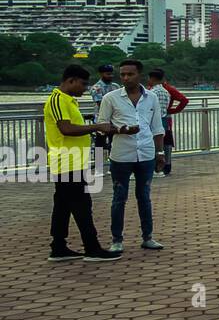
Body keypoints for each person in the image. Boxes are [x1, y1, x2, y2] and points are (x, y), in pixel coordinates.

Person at [44, 64, 122, 262]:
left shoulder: (68, 100)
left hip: (75, 161)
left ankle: (58, 246)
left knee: (62, 205)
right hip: (66, 162)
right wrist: (96, 126)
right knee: (82, 205)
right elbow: (66, 129)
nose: (85, 88)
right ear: (70, 80)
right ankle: (92, 248)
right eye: (83, 84)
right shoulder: (58, 100)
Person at [96, 58, 165, 253]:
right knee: (119, 197)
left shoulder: (151, 98)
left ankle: (148, 237)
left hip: (146, 153)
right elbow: (102, 127)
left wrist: (160, 153)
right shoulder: (111, 98)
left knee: (144, 196)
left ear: (139, 75)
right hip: (121, 155)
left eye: (130, 74)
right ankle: (117, 239)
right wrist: (121, 130)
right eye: (123, 74)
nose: (126, 78)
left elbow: (157, 128)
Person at [147, 69, 189, 177]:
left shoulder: (158, 90)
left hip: (160, 119)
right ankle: (164, 166)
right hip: (164, 118)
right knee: (164, 143)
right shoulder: (165, 90)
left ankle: (100, 167)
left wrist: (173, 110)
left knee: (162, 143)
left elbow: (184, 100)